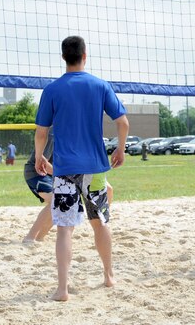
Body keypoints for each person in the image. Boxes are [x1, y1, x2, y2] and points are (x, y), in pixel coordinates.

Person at [34, 35, 130, 302]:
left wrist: (39, 157)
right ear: (85, 55)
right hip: (95, 169)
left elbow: (41, 132)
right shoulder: (100, 85)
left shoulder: (52, 90)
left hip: (64, 170)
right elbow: (123, 123)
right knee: (100, 222)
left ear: (64, 57)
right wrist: (120, 149)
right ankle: (109, 276)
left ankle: (63, 289)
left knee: (65, 228)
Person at [23, 128, 55, 243]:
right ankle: (30, 237)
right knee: (56, 200)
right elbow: (42, 164)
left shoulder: (71, 133)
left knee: (65, 203)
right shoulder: (53, 134)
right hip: (36, 173)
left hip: (51, 174)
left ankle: (40, 237)